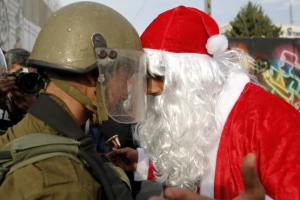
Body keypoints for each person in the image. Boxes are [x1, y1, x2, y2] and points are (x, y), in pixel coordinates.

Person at [107, 6, 300, 199]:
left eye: (152, 79)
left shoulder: (273, 123)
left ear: (186, 78)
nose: (148, 92)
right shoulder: (203, 105)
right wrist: (143, 162)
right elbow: (195, 157)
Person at [0, 2, 147, 199]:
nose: (125, 95)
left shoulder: (22, 135)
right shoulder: (66, 181)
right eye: (123, 78)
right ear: (93, 75)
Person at [0, 48, 38, 129]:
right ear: (5, 74)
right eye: (21, 75)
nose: (27, 81)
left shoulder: (40, 100)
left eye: (31, 76)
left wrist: (35, 111)